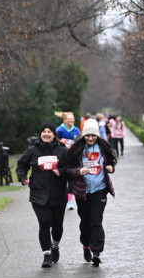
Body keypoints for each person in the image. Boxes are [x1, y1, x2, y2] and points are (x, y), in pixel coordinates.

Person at [64, 119, 117, 267]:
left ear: (97, 135)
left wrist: (111, 169)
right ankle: (86, 245)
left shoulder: (103, 148)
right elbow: (67, 171)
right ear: (83, 136)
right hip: (82, 191)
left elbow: (111, 163)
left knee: (96, 221)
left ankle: (96, 252)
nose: (90, 138)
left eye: (93, 135)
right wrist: (78, 171)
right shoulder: (77, 149)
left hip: (99, 190)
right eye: (87, 135)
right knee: (85, 222)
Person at [16, 122, 69, 268]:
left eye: (49, 131)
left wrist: (61, 171)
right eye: (43, 131)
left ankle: (55, 245)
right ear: (40, 134)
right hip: (39, 193)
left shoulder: (62, 151)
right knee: (44, 222)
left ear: (54, 134)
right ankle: (46, 255)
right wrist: (23, 178)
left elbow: (71, 167)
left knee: (57, 225)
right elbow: (21, 165)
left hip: (58, 193)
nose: (46, 134)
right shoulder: (33, 151)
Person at [56, 112, 81, 210]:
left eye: (73, 118)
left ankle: (69, 202)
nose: (72, 120)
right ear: (65, 120)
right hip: (62, 158)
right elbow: (53, 141)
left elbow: (80, 143)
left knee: (71, 180)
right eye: (70, 118)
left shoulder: (76, 130)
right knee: (62, 179)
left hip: (73, 158)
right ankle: (61, 200)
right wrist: (60, 142)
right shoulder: (59, 130)